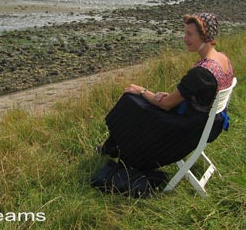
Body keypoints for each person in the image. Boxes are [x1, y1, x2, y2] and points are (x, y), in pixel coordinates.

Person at [97, 12, 234, 171]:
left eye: (189, 34)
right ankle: (113, 148)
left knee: (130, 100)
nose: (185, 38)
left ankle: (116, 149)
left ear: (204, 36)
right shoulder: (222, 59)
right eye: (185, 33)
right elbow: (201, 95)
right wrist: (163, 96)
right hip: (206, 124)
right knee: (138, 103)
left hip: (188, 128)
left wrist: (141, 90)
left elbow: (166, 105)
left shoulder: (202, 72)